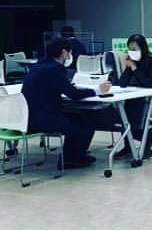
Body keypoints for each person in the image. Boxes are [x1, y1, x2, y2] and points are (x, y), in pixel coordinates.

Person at [22, 37, 111, 168]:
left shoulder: (37, 66)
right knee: (88, 119)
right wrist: (98, 90)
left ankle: (73, 155)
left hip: (28, 119)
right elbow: (73, 94)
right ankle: (71, 158)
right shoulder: (56, 69)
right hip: (45, 120)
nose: (70, 56)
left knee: (77, 118)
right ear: (64, 52)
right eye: (70, 53)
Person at [114, 34, 152, 160]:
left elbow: (149, 84)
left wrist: (135, 68)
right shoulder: (133, 62)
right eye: (129, 49)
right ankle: (128, 146)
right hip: (135, 97)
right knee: (125, 112)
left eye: (134, 49)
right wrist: (128, 67)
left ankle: (147, 147)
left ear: (143, 48)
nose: (131, 52)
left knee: (143, 113)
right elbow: (122, 83)